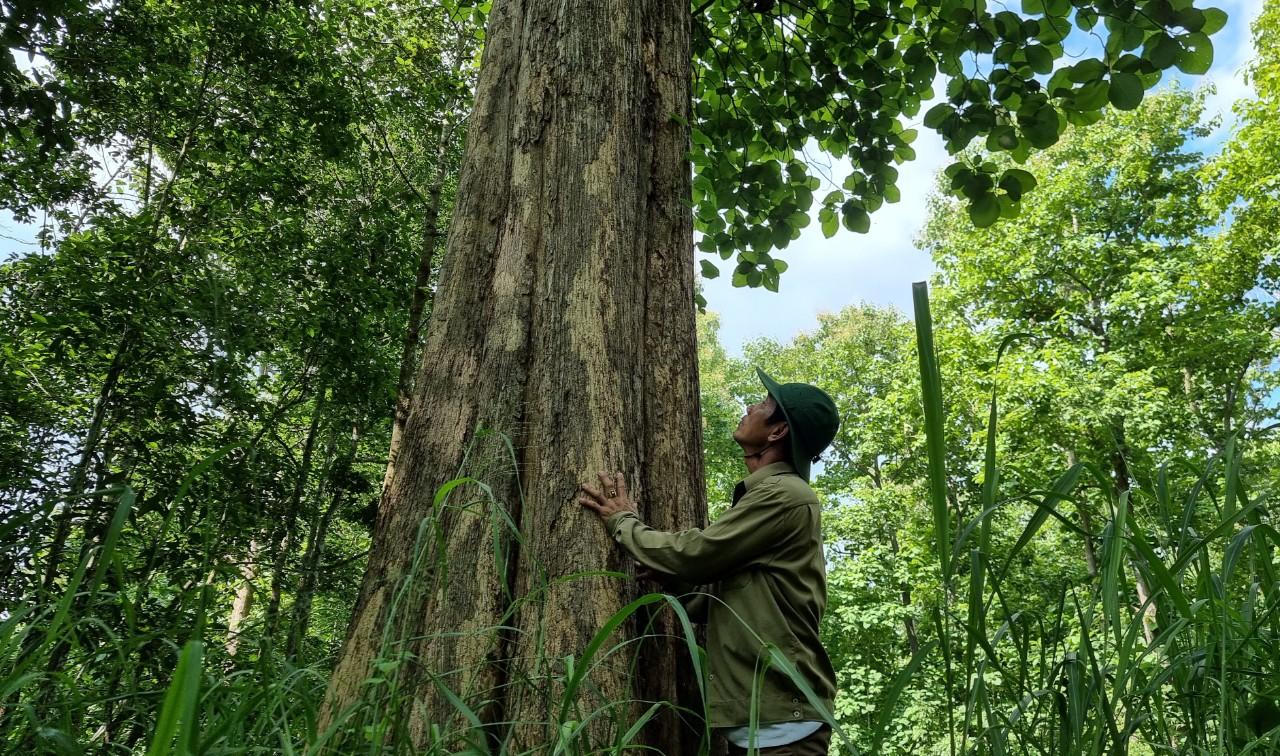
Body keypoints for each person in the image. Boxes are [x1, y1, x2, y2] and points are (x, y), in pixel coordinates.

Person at [578, 368, 840, 755]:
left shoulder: (785, 494)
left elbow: (696, 553)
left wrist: (623, 520)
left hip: (785, 727)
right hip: (761, 727)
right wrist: (672, 581)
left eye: (764, 404)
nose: (751, 406)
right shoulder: (773, 496)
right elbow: (726, 604)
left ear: (777, 432)